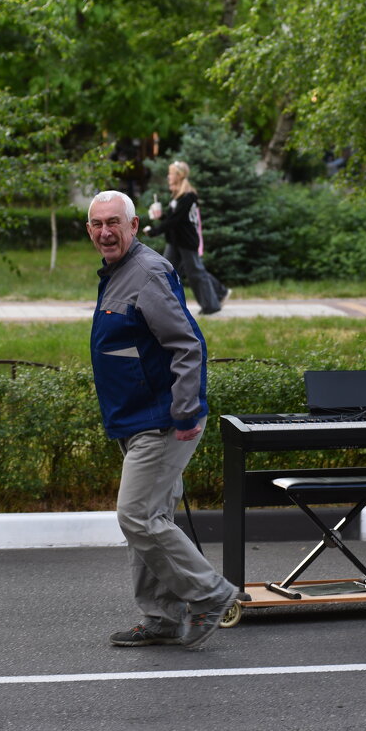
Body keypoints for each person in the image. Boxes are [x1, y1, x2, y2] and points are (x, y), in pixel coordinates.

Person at [86, 190, 238, 649]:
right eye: (97, 224)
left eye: (115, 222)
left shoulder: (147, 272)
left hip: (163, 419)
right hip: (135, 418)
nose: (106, 231)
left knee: (136, 516)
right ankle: (163, 617)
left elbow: (187, 345)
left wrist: (186, 409)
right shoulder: (118, 272)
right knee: (151, 518)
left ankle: (210, 594)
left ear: (134, 226)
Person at [144, 161, 229, 315]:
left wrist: (155, 231)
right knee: (167, 270)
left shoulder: (188, 196)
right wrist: (161, 216)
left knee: (196, 272)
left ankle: (211, 305)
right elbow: (173, 219)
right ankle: (166, 307)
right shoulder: (177, 196)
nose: (168, 176)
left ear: (178, 175)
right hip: (175, 241)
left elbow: (176, 220)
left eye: (170, 174)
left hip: (187, 241)